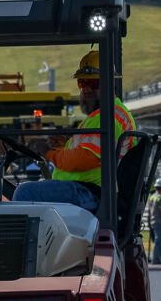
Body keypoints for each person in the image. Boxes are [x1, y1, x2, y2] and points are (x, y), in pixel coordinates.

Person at [44, 48, 136, 198]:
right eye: (82, 82)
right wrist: (63, 145)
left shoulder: (110, 116)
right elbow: (88, 150)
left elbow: (85, 158)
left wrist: (48, 153)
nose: (86, 89)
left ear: (109, 83)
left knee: (24, 191)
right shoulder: (101, 115)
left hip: (91, 192)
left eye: (93, 83)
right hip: (86, 189)